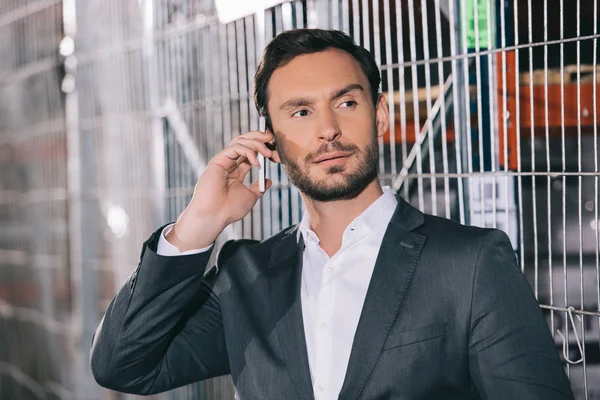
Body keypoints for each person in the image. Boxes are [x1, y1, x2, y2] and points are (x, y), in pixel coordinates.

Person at [90, 29, 574, 399]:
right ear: (270, 141)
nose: (327, 129)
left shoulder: (469, 263)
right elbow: (123, 363)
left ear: (379, 115)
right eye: (300, 112)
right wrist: (198, 224)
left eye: (345, 102)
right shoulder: (247, 279)